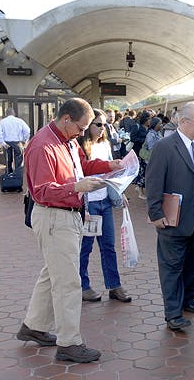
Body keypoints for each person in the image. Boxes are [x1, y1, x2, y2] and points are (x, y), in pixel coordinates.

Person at [16, 98, 123, 363]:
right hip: (54, 217)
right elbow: (41, 190)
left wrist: (109, 166)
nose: (83, 132)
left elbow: (81, 167)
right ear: (66, 119)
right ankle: (69, 343)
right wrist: (76, 188)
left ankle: (34, 326)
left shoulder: (67, 141)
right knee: (67, 283)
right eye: (81, 127)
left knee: (52, 275)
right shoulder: (43, 146)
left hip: (66, 216)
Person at [145, 101, 194, 331]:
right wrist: (155, 213)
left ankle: (189, 299)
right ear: (183, 121)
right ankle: (173, 313)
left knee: (193, 260)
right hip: (173, 216)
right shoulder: (165, 147)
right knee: (172, 265)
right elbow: (154, 181)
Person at [77, 109, 132, 304]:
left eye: (104, 125)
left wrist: (120, 192)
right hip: (89, 203)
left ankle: (114, 285)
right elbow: (80, 175)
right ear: (88, 126)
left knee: (108, 245)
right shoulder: (80, 148)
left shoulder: (106, 144)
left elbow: (112, 174)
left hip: (105, 202)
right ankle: (83, 286)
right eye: (97, 124)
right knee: (86, 247)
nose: (102, 128)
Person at [0, 107, 30, 174]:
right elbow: (27, 131)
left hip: (7, 143)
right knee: (19, 159)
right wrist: (24, 140)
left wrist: (2, 143)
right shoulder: (20, 121)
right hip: (17, 142)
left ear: (6, 114)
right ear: (14, 113)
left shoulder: (2, 122)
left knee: (8, 160)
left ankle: (9, 173)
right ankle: (17, 174)